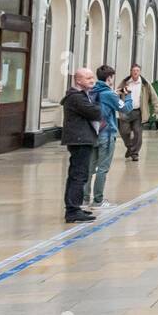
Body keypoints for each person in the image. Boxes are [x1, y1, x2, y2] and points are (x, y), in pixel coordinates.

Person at [61, 68, 102, 223]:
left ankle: (74, 207)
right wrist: (98, 104)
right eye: (88, 78)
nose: (92, 80)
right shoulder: (76, 98)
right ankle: (72, 210)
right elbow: (96, 112)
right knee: (79, 174)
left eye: (93, 77)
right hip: (80, 139)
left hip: (81, 139)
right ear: (78, 80)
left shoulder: (81, 96)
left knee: (79, 174)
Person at [88, 65, 125, 210]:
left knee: (90, 168)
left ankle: (85, 198)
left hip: (93, 133)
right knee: (102, 168)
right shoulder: (109, 94)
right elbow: (125, 108)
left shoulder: (91, 91)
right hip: (107, 134)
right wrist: (126, 96)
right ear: (109, 78)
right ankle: (98, 200)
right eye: (112, 77)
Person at [118, 64, 158, 162]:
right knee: (124, 132)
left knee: (137, 133)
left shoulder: (145, 84)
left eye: (137, 70)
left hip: (138, 112)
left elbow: (154, 97)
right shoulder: (125, 82)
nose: (135, 72)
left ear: (140, 72)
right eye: (134, 70)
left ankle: (134, 153)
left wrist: (157, 110)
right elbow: (117, 93)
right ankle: (129, 147)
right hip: (126, 111)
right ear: (131, 72)